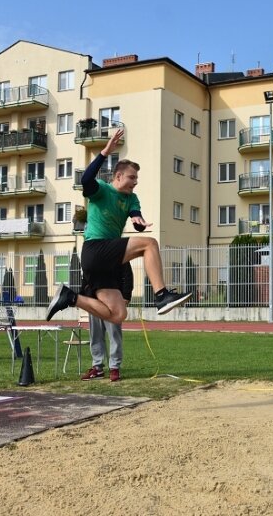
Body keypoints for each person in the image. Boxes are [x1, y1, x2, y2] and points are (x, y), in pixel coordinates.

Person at [46, 130, 192, 322]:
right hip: (96, 249)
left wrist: (138, 221)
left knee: (118, 314)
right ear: (119, 176)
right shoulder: (102, 190)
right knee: (150, 244)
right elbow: (85, 180)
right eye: (132, 177)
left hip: (104, 263)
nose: (135, 182)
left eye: (136, 178)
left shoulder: (132, 198)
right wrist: (105, 152)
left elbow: (135, 215)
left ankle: (70, 297)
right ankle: (162, 296)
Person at [81, 262, 133, 382]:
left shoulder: (118, 251)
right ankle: (97, 368)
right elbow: (86, 276)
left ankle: (114, 367)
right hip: (94, 300)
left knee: (114, 335)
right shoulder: (93, 253)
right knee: (95, 336)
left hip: (113, 300)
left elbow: (127, 275)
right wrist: (82, 295)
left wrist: (126, 296)